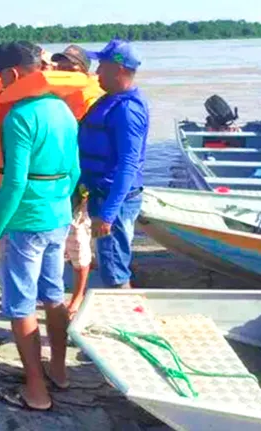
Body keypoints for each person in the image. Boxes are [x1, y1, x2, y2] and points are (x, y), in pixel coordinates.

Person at [0, 41, 81, 411]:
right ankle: (59, 370)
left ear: (11, 74)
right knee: (53, 294)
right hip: (58, 216)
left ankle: (36, 391)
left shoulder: (20, 117)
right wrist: (59, 204)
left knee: (21, 304)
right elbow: (75, 171)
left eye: (2, 77)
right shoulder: (64, 110)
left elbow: (15, 182)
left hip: (25, 222)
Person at [78, 39, 149, 289]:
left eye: (102, 66)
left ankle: (127, 317)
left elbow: (128, 165)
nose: (96, 72)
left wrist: (107, 214)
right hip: (100, 194)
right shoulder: (109, 99)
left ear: (118, 70)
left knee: (115, 269)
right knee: (110, 262)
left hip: (114, 201)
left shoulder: (127, 110)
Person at [52, 45, 105, 317]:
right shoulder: (53, 96)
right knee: (56, 238)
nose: (64, 73)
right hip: (55, 177)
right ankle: (55, 293)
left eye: (70, 68)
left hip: (80, 179)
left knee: (78, 238)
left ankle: (78, 296)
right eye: (59, 67)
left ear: (84, 71)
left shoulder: (93, 101)